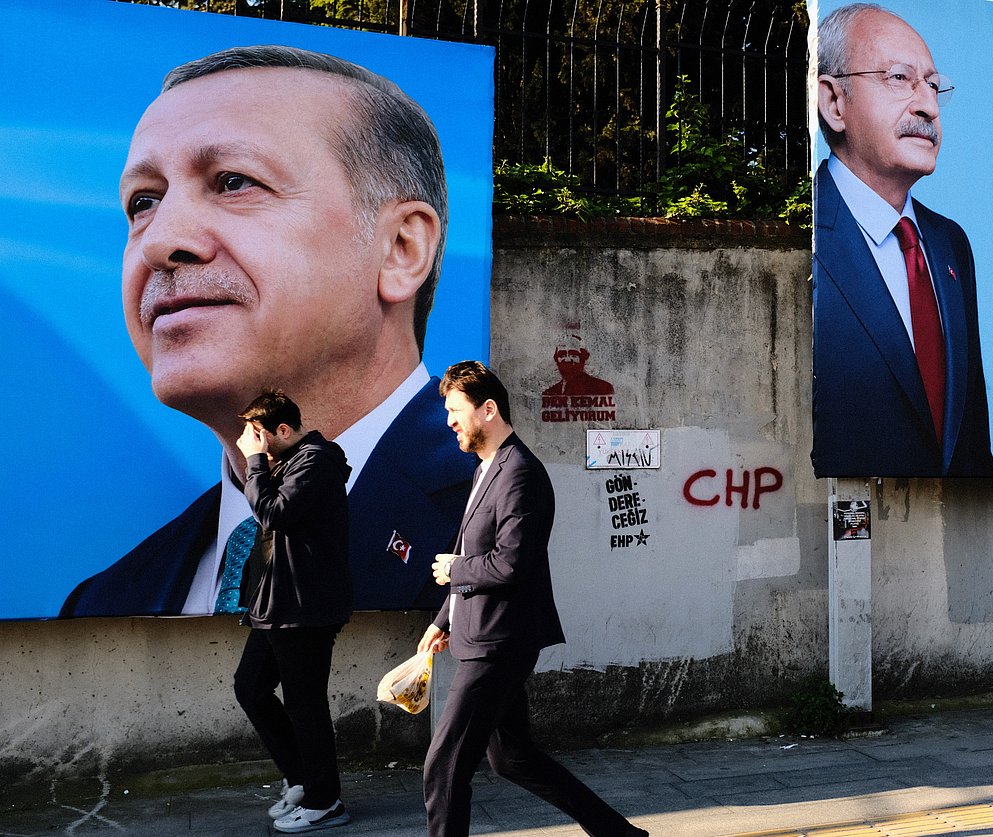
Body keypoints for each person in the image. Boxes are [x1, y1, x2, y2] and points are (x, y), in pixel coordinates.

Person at [59, 45, 477, 619]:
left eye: (234, 182)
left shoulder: (497, 513)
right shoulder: (101, 603)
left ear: (401, 250)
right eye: (144, 202)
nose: (159, 242)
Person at [419, 361, 647, 837]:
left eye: (456, 411)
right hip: (483, 631)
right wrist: (443, 619)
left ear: (488, 410)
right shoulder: (488, 469)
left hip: (499, 641)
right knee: (512, 758)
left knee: (443, 766)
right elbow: (473, 550)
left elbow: (511, 563)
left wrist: (455, 571)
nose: (449, 422)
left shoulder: (520, 472)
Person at [812, 3, 993, 477]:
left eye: (933, 85)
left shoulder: (950, 243)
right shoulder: (802, 230)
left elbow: (970, 432)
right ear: (834, 102)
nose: (928, 106)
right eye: (899, 78)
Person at [230, 391, 352, 833]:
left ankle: (325, 801)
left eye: (258, 435)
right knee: (251, 688)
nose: (250, 444)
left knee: (305, 705)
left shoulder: (315, 460)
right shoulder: (291, 461)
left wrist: (257, 464)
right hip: (277, 604)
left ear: (283, 430)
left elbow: (273, 513)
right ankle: (302, 779)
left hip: (304, 608)